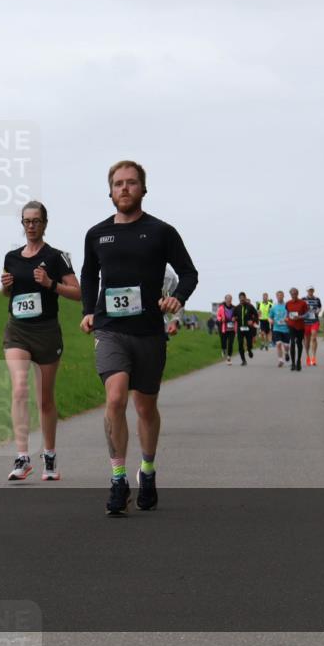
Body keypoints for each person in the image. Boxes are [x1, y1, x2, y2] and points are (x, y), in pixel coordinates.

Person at [80, 160, 198, 516]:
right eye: (118, 183)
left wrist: (178, 298)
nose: (125, 188)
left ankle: (147, 470)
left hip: (148, 331)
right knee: (115, 398)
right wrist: (89, 310)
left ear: (143, 189)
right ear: (110, 191)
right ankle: (118, 478)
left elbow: (188, 273)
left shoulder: (162, 232)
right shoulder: (97, 234)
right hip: (110, 329)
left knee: (145, 407)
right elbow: (89, 275)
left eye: (132, 183)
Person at [0, 201, 81, 481]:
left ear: (45, 223)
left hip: (46, 332)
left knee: (45, 399)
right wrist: (5, 287)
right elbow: (6, 293)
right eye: (26, 221)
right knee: (20, 388)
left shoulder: (57, 257)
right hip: (17, 331)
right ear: (21, 224)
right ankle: (22, 457)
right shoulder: (11, 257)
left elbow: (77, 292)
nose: (31, 226)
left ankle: (50, 455)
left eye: (36, 221)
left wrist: (50, 284)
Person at [285, 287, 309, 372]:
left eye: (295, 294)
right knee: (292, 342)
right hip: (291, 325)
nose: (293, 295)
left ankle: (298, 361)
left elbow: (307, 314)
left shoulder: (303, 303)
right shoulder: (288, 303)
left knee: (299, 343)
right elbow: (287, 313)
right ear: (290, 294)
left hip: (300, 326)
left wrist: (300, 317)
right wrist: (286, 318)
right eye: (292, 294)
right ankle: (293, 363)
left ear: (297, 294)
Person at [234, 292, 259, 365]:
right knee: (240, 344)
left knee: (249, 344)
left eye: (243, 298)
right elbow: (234, 316)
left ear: (245, 298)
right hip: (240, 328)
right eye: (240, 298)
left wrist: (253, 321)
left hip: (248, 328)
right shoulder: (237, 307)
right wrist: (234, 318)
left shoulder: (250, 306)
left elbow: (256, 315)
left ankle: (249, 350)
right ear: (239, 299)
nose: (242, 299)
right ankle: (243, 360)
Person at [268, 290, 290, 367]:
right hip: (276, 328)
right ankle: (280, 360)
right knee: (278, 344)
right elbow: (270, 317)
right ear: (276, 297)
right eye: (278, 295)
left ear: (283, 296)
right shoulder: (273, 307)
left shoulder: (287, 306)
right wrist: (271, 321)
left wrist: (288, 319)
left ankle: (286, 353)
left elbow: (290, 315)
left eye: (281, 295)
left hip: (286, 329)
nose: (280, 297)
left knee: (286, 346)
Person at [303, 285, 324, 366]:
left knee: (314, 337)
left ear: (313, 291)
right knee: (307, 341)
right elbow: (301, 308)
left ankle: (314, 357)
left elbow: (319, 307)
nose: (310, 292)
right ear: (307, 291)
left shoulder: (317, 299)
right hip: (306, 322)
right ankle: (308, 356)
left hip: (314, 321)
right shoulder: (303, 299)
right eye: (309, 290)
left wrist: (318, 311)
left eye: (312, 290)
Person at [216, 294, 238, 365]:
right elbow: (218, 316)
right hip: (223, 328)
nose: (229, 301)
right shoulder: (221, 308)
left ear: (231, 300)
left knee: (230, 343)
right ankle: (223, 349)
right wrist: (221, 319)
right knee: (223, 342)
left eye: (230, 300)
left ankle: (229, 357)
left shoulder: (234, 308)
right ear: (225, 300)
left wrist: (235, 318)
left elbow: (237, 316)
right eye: (227, 299)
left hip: (232, 328)